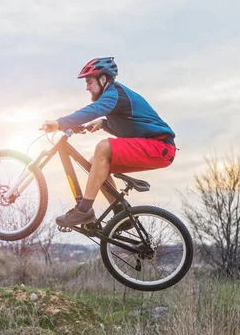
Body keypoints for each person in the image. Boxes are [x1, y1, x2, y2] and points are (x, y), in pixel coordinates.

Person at [40, 57, 176, 227]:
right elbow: (133, 126)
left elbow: (93, 110)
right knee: (93, 164)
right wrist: (104, 124)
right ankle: (121, 214)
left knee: (103, 147)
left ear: (103, 79)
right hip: (153, 146)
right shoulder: (116, 97)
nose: (87, 87)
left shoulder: (114, 94)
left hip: (160, 146)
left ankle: (84, 210)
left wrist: (61, 123)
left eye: (89, 82)